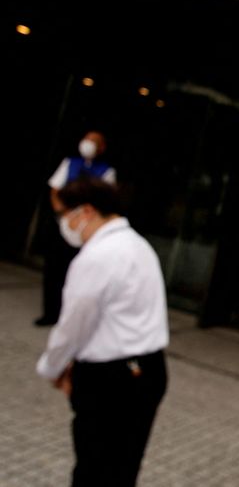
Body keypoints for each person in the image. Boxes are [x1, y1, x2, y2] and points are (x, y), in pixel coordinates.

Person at [36, 177, 168, 487]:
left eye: (65, 215)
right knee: (122, 470)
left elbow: (73, 325)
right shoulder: (139, 245)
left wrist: (52, 367)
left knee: (93, 470)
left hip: (110, 379)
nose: (64, 224)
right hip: (149, 370)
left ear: (86, 212)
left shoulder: (98, 256)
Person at [35, 130, 117, 326]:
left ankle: (69, 316)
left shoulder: (107, 172)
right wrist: (62, 212)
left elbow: (106, 201)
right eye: (87, 139)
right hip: (63, 224)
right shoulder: (69, 163)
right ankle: (50, 313)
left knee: (76, 273)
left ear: (102, 147)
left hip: (85, 231)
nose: (88, 144)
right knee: (53, 270)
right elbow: (54, 190)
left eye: (94, 141)